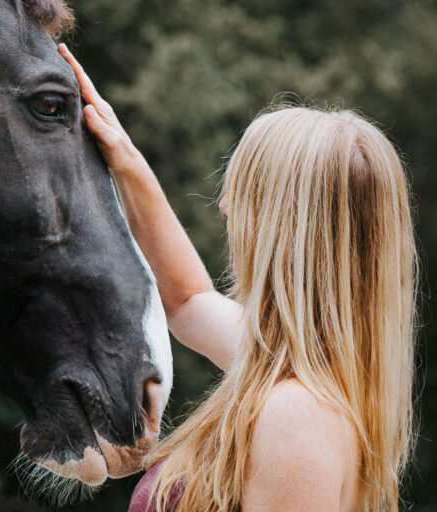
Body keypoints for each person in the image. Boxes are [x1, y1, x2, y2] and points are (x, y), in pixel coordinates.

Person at [58, 44, 417, 512]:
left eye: (245, 193)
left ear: (286, 229)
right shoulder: (283, 365)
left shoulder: (298, 416)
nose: (224, 206)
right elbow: (187, 300)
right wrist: (124, 159)